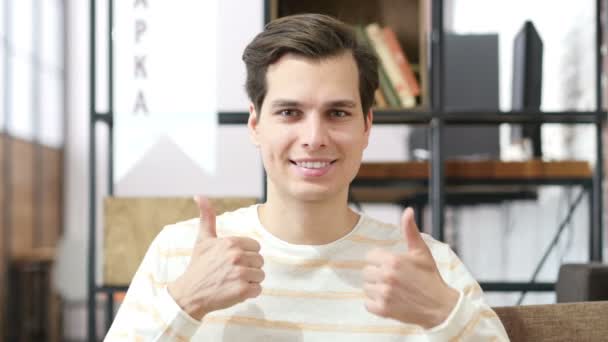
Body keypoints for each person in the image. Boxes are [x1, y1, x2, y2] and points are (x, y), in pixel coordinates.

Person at [106, 13, 509, 341]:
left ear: (367, 126)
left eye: (338, 113)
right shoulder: (180, 254)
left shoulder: (428, 268)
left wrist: (443, 314)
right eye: (289, 113)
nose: (314, 138)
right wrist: (185, 302)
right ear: (255, 124)